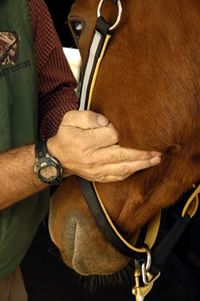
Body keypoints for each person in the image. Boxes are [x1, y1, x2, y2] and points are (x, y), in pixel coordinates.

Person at [0, 0, 162, 300]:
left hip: (10, 265)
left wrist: (87, 134)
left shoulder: (26, 6)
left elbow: (53, 91)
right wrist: (54, 159)